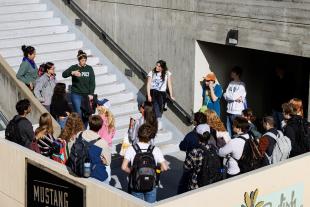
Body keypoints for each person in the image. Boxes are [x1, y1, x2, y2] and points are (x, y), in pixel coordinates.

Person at [122, 124, 168, 203]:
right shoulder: (155, 149)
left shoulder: (131, 149)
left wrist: (133, 172)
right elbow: (165, 168)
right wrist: (155, 172)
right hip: (151, 184)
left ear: (138, 134)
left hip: (136, 184)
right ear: (150, 137)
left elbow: (123, 167)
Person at [177, 112, 208, 194]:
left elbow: (182, 147)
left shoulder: (191, 136)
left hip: (192, 167)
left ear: (195, 122)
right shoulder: (210, 133)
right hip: (207, 167)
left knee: (183, 187)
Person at [184, 124, 221, 191]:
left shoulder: (194, 152)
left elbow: (186, 167)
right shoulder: (214, 148)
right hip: (211, 181)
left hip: (196, 183)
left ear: (197, 136)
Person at [62, 50, 95, 120]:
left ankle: (84, 128)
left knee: (86, 113)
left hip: (86, 95)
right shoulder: (74, 67)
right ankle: (79, 128)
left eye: (85, 60)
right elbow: (63, 75)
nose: (84, 62)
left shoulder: (89, 68)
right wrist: (72, 73)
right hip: (76, 94)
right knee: (78, 113)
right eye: (82, 60)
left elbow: (92, 82)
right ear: (79, 60)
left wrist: (91, 93)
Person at [79, 115, 111, 183]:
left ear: (89, 124)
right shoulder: (102, 143)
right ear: (100, 126)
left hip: (80, 167)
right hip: (95, 174)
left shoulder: (80, 134)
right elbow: (107, 162)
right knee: (107, 178)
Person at [223, 66, 247, 137]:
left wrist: (231, 96)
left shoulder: (242, 84)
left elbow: (232, 96)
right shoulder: (231, 83)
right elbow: (224, 95)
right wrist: (233, 97)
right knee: (229, 131)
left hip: (237, 112)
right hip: (229, 110)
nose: (231, 73)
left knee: (237, 131)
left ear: (237, 74)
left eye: (233, 72)